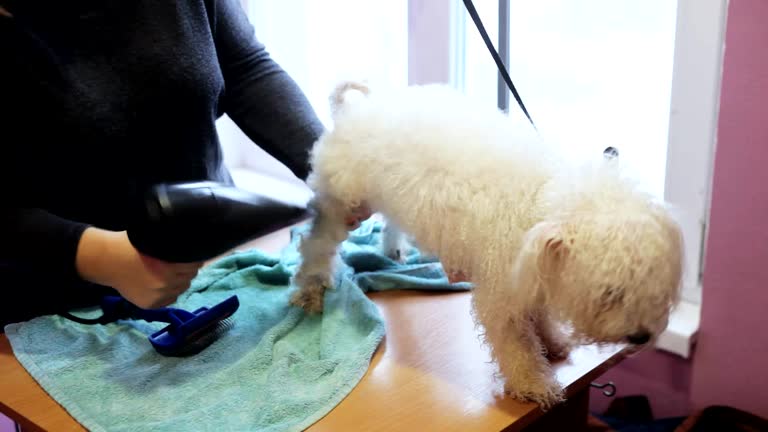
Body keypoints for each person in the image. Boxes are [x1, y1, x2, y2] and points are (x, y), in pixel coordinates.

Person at [0, 0, 327, 330]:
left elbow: (244, 68)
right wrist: (98, 257)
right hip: (46, 309)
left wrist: (334, 166)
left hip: (206, 268)